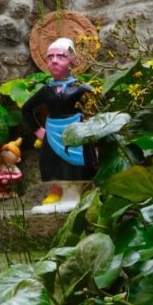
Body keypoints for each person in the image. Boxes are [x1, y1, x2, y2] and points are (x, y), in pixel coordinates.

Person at [22, 37, 94, 212]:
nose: (54, 61)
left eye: (60, 56)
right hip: (53, 132)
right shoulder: (47, 90)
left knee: (74, 165)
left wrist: (92, 127)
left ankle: (73, 196)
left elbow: (99, 102)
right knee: (52, 164)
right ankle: (60, 195)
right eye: (50, 57)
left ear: (71, 60)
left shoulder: (80, 88)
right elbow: (27, 108)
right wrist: (38, 130)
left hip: (75, 131)